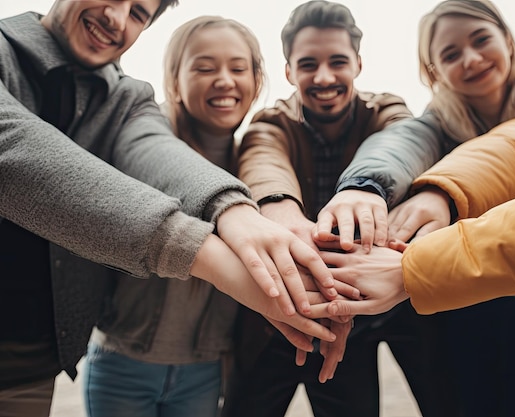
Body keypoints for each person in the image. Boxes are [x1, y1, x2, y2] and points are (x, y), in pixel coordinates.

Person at [0, 2, 343, 415]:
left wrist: (235, 210)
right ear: (176, 79)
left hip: (33, 367)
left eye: (138, 12)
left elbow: (153, 149)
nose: (116, 16)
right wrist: (212, 250)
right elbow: (14, 147)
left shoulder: (124, 98)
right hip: (122, 357)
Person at [316, 0, 515, 414]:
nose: (472, 59)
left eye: (481, 40)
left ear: (508, 40)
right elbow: (407, 144)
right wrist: (372, 187)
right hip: (479, 302)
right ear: (433, 72)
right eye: (450, 54)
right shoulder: (440, 124)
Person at [221, 2, 460, 417]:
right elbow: (263, 158)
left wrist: (366, 187)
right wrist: (281, 213)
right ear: (289, 72)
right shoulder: (272, 123)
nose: (325, 77)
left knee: (449, 402)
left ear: (358, 64)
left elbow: (403, 143)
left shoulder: (387, 111)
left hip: (402, 297)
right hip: (311, 301)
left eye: (338, 62)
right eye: (308, 64)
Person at [81, 16, 265, 417]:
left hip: (204, 368)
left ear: (257, 79)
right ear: (174, 78)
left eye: (238, 68)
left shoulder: (254, 162)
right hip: (123, 358)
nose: (224, 80)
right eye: (204, 67)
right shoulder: (140, 142)